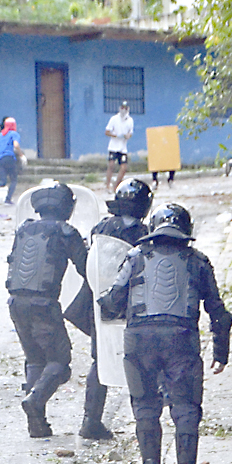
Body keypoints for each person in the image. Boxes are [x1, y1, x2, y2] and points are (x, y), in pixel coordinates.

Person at [98, 204, 232, 464]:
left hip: (139, 339)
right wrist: (221, 353)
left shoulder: (135, 256)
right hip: (180, 338)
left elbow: (115, 298)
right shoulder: (198, 261)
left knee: (145, 403)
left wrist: (101, 302)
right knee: (185, 407)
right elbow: (218, 312)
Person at [6, 182, 88, 437]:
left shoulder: (25, 229)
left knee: (35, 361)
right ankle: (36, 400)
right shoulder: (66, 232)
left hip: (16, 303)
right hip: (44, 304)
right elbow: (87, 268)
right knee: (60, 363)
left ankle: (37, 424)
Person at [79, 178, 153, 440]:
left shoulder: (100, 228)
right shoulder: (144, 234)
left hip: (101, 304)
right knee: (140, 362)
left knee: (101, 360)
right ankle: (143, 423)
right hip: (134, 306)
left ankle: (91, 419)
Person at [104, 101, 134, 191]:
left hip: (123, 148)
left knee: (124, 167)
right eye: (122, 108)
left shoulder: (130, 120)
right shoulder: (114, 119)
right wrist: (116, 135)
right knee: (111, 165)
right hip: (113, 146)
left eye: (125, 108)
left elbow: (130, 132)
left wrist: (127, 136)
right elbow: (107, 131)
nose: (123, 110)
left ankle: (116, 186)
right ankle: (107, 185)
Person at [0, 117, 22, 206]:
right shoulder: (14, 134)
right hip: (8, 158)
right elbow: (16, 145)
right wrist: (20, 154)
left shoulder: (0, 135)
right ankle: (8, 200)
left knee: (3, 181)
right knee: (13, 180)